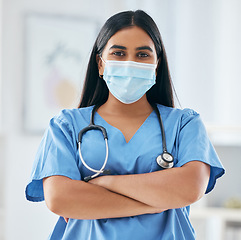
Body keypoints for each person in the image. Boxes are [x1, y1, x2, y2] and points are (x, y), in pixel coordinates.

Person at [25, 10, 225, 239]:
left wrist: (104, 182)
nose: (130, 63)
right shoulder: (66, 126)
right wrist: (154, 203)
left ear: (156, 65)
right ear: (100, 64)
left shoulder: (184, 124)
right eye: (119, 53)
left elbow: (189, 188)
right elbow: (60, 198)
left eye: (142, 55)